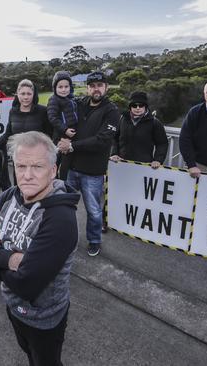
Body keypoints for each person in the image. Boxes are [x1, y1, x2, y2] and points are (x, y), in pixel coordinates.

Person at [0, 131, 80, 366]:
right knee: (29, 355)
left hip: (44, 320)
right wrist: (10, 259)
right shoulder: (9, 195)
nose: (27, 176)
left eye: (37, 167)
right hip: (12, 306)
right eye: (20, 166)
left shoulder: (60, 219)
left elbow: (27, 284)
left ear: (53, 171)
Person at [57, 71, 119, 257]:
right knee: (64, 208)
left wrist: (72, 146)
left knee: (93, 210)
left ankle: (94, 241)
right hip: (70, 168)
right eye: (92, 85)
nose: (96, 89)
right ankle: (65, 238)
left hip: (92, 171)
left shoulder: (112, 111)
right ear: (87, 88)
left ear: (106, 87)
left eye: (100, 85)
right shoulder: (79, 104)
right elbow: (56, 104)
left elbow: (102, 140)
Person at [0, 79, 51, 191]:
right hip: (19, 158)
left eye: (29, 94)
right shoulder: (13, 111)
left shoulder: (43, 111)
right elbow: (8, 135)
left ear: (34, 95)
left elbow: (50, 135)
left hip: (38, 159)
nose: (25, 97)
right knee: (20, 188)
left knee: (38, 189)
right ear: (17, 94)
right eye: (22, 93)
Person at [110, 91, 168, 166]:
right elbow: (114, 138)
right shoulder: (122, 119)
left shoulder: (154, 122)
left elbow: (162, 143)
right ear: (130, 107)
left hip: (143, 167)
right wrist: (114, 153)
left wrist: (158, 160)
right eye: (134, 105)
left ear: (145, 106)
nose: (137, 108)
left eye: (141, 105)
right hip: (121, 164)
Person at [47, 71, 78, 179]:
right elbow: (53, 118)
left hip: (71, 135)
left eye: (66, 86)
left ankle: (63, 184)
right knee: (57, 162)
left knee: (67, 162)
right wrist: (65, 130)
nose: (64, 89)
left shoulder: (72, 100)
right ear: (55, 88)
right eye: (60, 87)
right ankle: (54, 184)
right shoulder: (53, 100)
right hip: (60, 135)